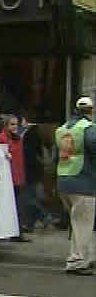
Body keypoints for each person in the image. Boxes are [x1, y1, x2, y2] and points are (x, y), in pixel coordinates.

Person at [54, 96, 96, 275]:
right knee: (83, 223)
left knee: (77, 222)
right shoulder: (88, 129)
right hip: (83, 181)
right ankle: (77, 261)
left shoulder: (62, 129)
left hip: (64, 179)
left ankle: (87, 257)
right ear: (90, 111)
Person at [0, 114, 30, 242]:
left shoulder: (17, 138)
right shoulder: (1, 138)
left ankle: (17, 233)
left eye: (16, 124)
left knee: (18, 206)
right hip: (7, 177)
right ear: (5, 126)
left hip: (18, 176)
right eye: (12, 124)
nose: (15, 127)